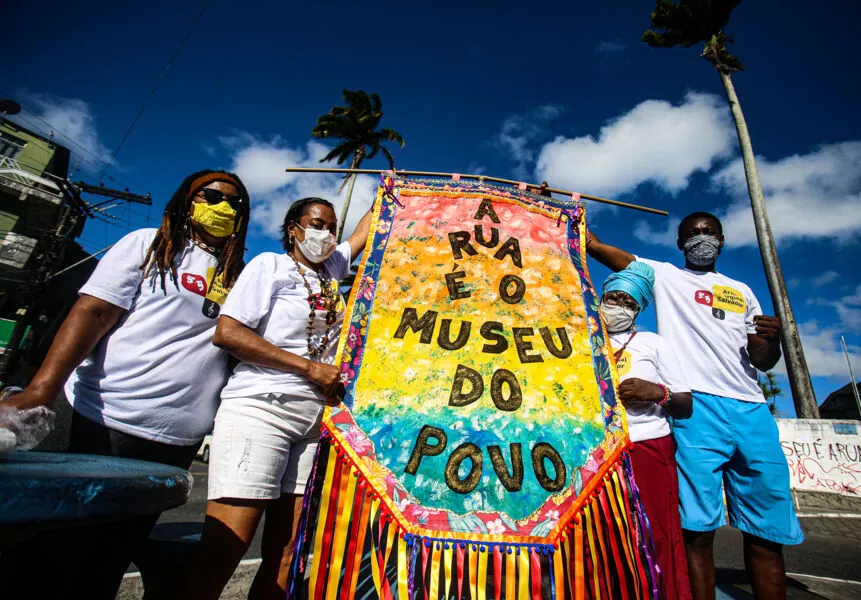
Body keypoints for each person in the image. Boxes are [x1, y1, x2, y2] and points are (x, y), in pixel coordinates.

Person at [0, 169, 251, 599]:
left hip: (174, 442)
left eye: (234, 202)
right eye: (210, 196)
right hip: (99, 419)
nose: (223, 207)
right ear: (185, 200)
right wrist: (42, 388)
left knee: (107, 562)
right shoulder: (149, 245)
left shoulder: (242, 276)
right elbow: (93, 313)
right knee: (48, 557)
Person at [587, 212, 803, 600]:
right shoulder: (665, 275)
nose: (702, 238)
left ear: (721, 239)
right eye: (693, 234)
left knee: (767, 532)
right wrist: (554, 210)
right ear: (679, 243)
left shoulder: (742, 291)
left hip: (752, 409)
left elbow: (762, 360)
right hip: (695, 410)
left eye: (709, 233)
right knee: (697, 531)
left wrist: (772, 340)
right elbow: (598, 247)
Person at [182, 197, 373, 600]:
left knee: (288, 553)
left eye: (331, 227)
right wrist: (307, 368)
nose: (325, 234)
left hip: (313, 421)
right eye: (316, 224)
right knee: (227, 544)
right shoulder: (269, 266)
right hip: (260, 408)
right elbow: (229, 334)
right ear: (293, 228)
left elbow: (364, 232)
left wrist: (391, 188)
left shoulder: (332, 269)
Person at [600, 261, 693, 600]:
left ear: (638, 309)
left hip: (647, 445)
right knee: (603, 537)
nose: (619, 307)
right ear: (600, 298)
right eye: (613, 298)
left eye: (629, 302)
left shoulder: (653, 343)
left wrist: (657, 393)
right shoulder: (579, 339)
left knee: (656, 533)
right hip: (597, 452)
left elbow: (685, 403)